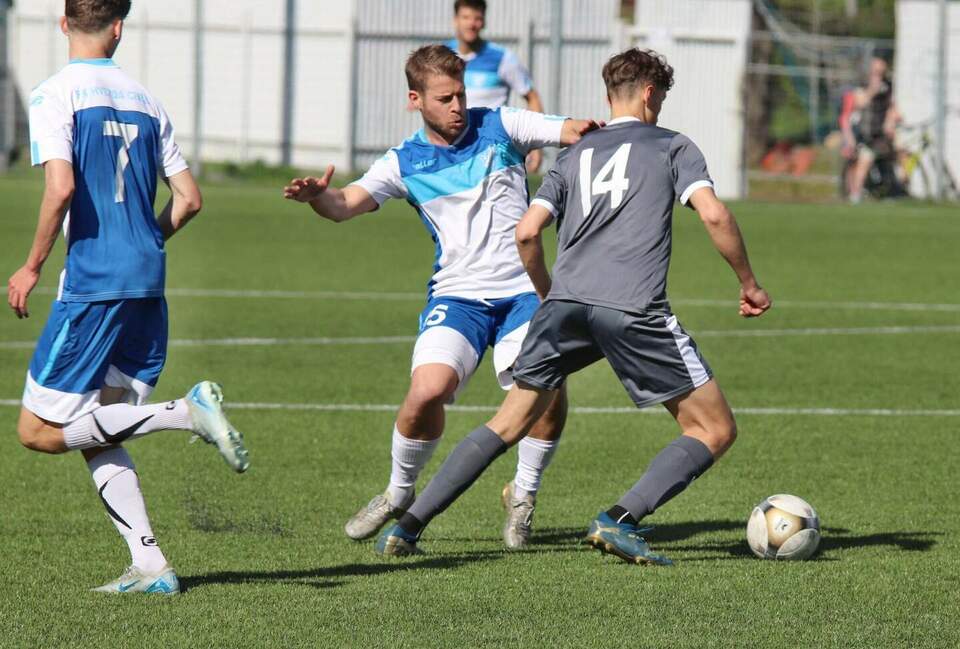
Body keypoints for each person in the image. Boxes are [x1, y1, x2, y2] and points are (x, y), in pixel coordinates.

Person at [374, 48, 772, 565]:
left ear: (609, 96)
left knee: (507, 422)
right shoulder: (673, 145)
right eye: (660, 99)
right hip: (633, 308)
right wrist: (749, 283)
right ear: (649, 94)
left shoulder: (575, 153)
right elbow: (714, 216)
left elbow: (527, 231)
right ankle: (619, 519)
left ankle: (407, 527)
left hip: (564, 306)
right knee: (713, 429)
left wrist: (548, 295)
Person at [283, 45, 599, 549]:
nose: (458, 107)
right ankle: (399, 490)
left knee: (546, 386)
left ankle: (523, 493)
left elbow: (572, 130)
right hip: (459, 296)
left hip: (524, 291)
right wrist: (317, 196)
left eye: (461, 95)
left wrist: (604, 130)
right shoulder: (403, 161)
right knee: (425, 392)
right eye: (445, 98)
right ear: (416, 100)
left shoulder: (501, 124)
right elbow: (343, 205)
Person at [8, 0, 250, 595]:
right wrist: (146, 237)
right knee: (100, 430)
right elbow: (189, 199)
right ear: (118, 28)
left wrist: (31, 266)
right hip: (148, 277)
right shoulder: (147, 101)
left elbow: (60, 187)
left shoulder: (55, 94)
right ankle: (150, 566)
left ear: (63, 23)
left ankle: (184, 412)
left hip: (94, 282)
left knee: (36, 431)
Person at [445, 0, 546, 174]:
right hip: (452, 151)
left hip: (492, 154)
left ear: (484, 21)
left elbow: (532, 97)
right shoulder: (442, 55)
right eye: (466, 17)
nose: (471, 24)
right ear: (455, 20)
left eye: (477, 18)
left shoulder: (503, 58)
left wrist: (536, 145)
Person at [841, 56, 903, 203]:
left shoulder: (887, 86)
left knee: (891, 161)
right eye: (876, 71)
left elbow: (891, 106)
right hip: (866, 132)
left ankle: (890, 192)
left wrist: (892, 119)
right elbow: (859, 103)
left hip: (882, 133)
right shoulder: (863, 86)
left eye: (881, 72)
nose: (879, 75)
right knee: (864, 161)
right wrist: (872, 91)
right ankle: (855, 194)